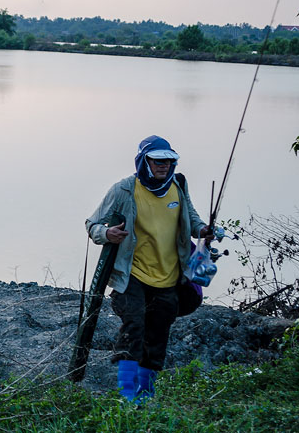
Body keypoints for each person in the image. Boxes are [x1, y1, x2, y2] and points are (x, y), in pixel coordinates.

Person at [85, 135, 211, 403]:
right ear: (144, 161)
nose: (164, 166)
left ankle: (146, 393)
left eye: (168, 161)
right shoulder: (124, 190)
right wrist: (108, 234)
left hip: (169, 277)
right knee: (134, 327)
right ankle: (126, 394)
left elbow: (193, 218)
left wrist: (203, 231)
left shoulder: (179, 185)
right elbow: (92, 225)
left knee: (158, 334)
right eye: (157, 161)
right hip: (132, 275)